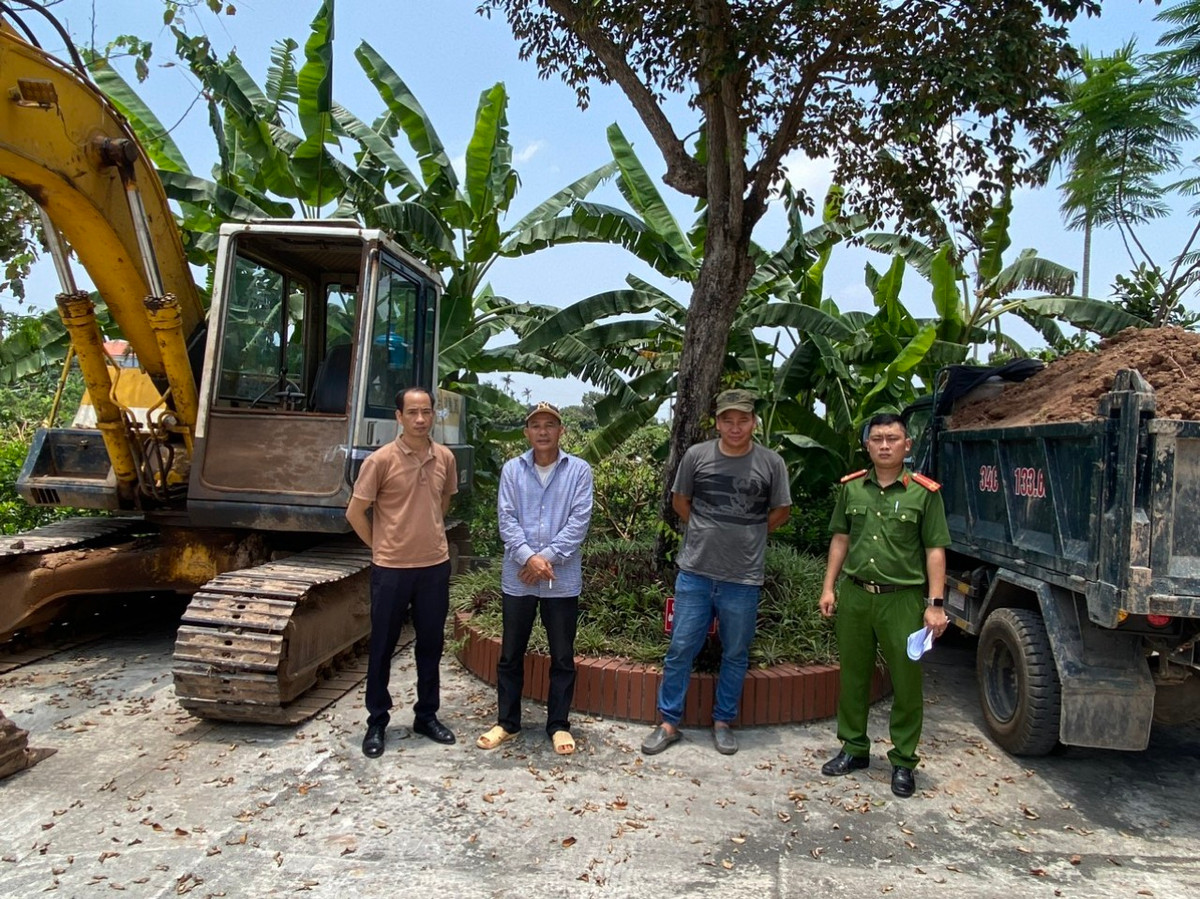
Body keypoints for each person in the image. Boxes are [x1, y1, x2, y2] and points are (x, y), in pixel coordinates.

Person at [641, 389, 791, 757]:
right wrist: (705, 529)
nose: (735, 427)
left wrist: (751, 533)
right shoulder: (697, 456)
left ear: (753, 422)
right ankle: (668, 722)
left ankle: (723, 722)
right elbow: (680, 501)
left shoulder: (771, 463)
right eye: (728, 420)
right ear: (717, 422)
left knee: (735, 652)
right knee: (680, 648)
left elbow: (781, 511)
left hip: (743, 577)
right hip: (695, 572)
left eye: (743, 420)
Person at [818, 412, 951, 798]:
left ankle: (904, 760)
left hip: (902, 600)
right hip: (856, 596)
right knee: (853, 676)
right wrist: (828, 588)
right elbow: (840, 539)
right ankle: (854, 748)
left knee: (906, 682)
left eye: (893, 438)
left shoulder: (924, 493)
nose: (885, 445)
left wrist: (935, 605)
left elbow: (935, 550)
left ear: (907, 445)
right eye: (877, 439)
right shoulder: (852, 489)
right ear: (867, 446)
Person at [347, 386, 459, 758]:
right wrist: (380, 546)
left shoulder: (444, 458)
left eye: (426, 411)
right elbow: (355, 512)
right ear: (399, 417)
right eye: (412, 412)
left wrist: (426, 533)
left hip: (434, 567)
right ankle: (377, 721)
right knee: (382, 646)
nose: (420, 419)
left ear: (433, 414)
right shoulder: (380, 461)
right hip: (391, 570)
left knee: (430, 645)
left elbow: (442, 502)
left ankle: (426, 715)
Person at [477, 402, 594, 756]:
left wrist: (545, 559)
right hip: (519, 578)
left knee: (562, 656)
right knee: (511, 653)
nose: (543, 431)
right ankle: (507, 722)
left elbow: (579, 522)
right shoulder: (513, 470)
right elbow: (507, 519)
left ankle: (558, 724)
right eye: (536, 425)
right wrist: (530, 558)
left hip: (561, 579)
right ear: (527, 432)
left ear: (561, 431)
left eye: (550, 425)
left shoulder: (579, 471)